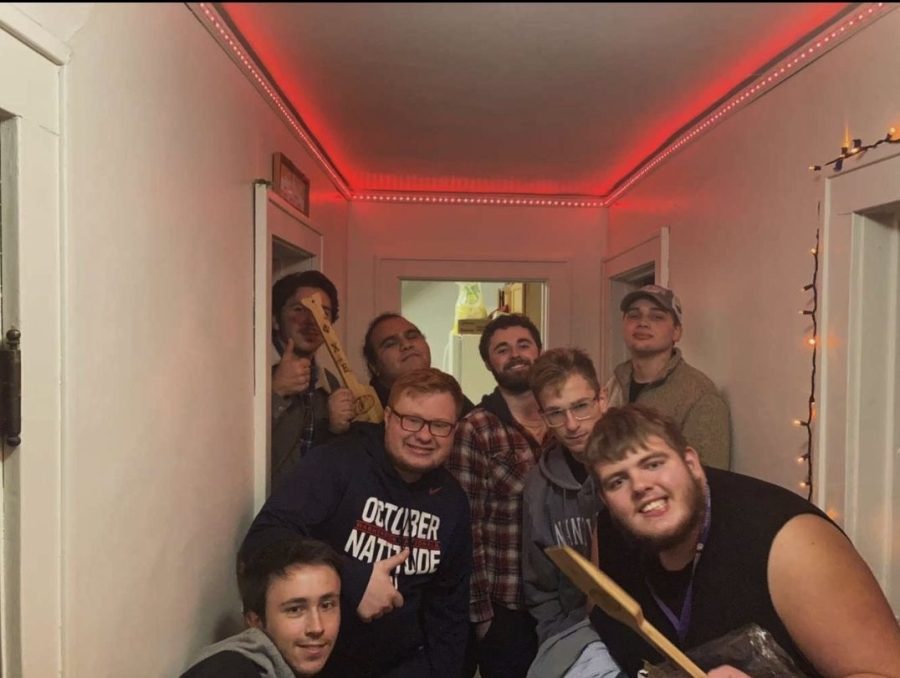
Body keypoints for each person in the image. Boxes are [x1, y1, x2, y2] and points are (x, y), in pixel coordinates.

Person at [584, 404, 900, 676]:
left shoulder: (791, 545)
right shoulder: (610, 534)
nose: (640, 485)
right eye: (618, 481)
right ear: (605, 498)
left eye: (653, 463)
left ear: (692, 464)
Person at [241, 368, 472, 678]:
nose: (425, 435)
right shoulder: (337, 463)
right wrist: (352, 579)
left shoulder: (452, 500)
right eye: (412, 420)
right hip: (321, 664)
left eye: (440, 425)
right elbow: (263, 540)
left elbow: (449, 609)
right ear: (388, 417)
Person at [446, 313, 552, 678]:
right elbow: (465, 527)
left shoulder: (566, 420)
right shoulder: (475, 429)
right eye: (502, 349)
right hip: (508, 607)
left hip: (567, 605)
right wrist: (482, 617)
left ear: (540, 351)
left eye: (524, 345)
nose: (515, 355)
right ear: (490, 363)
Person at [521, 348, 621, 678]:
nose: (571, 425)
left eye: (581, 406)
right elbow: (540, 585)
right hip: (576, 638)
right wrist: (559, 638)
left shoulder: (635, 465)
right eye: (556, 413)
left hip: (646, 634)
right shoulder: (539, 486)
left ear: (602, 400)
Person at [606, 284, 731, 469]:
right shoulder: (614, 383)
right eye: (634, 315)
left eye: (657, 317)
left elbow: (707, 483)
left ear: (677, 332)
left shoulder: (700, 397)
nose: (642, 322)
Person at [181, 537, 342, 678]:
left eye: (327, 605)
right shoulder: (227, 671)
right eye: (295, 610)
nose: (317, 627)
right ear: (255, 621)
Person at [270, 271, 355, 488]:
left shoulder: (330, 383)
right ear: (275, 320)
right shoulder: (250, 372)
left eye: (322, 313)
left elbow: (327, 465)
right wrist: (276, 391)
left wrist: (335, 430)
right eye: (299, 310)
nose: (311, 321)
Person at [363, 312, 476, 415]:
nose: (406, 345)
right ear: (373, 365)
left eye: (412, 336)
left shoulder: (450, 396)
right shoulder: (364, 410)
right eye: (391, 344)